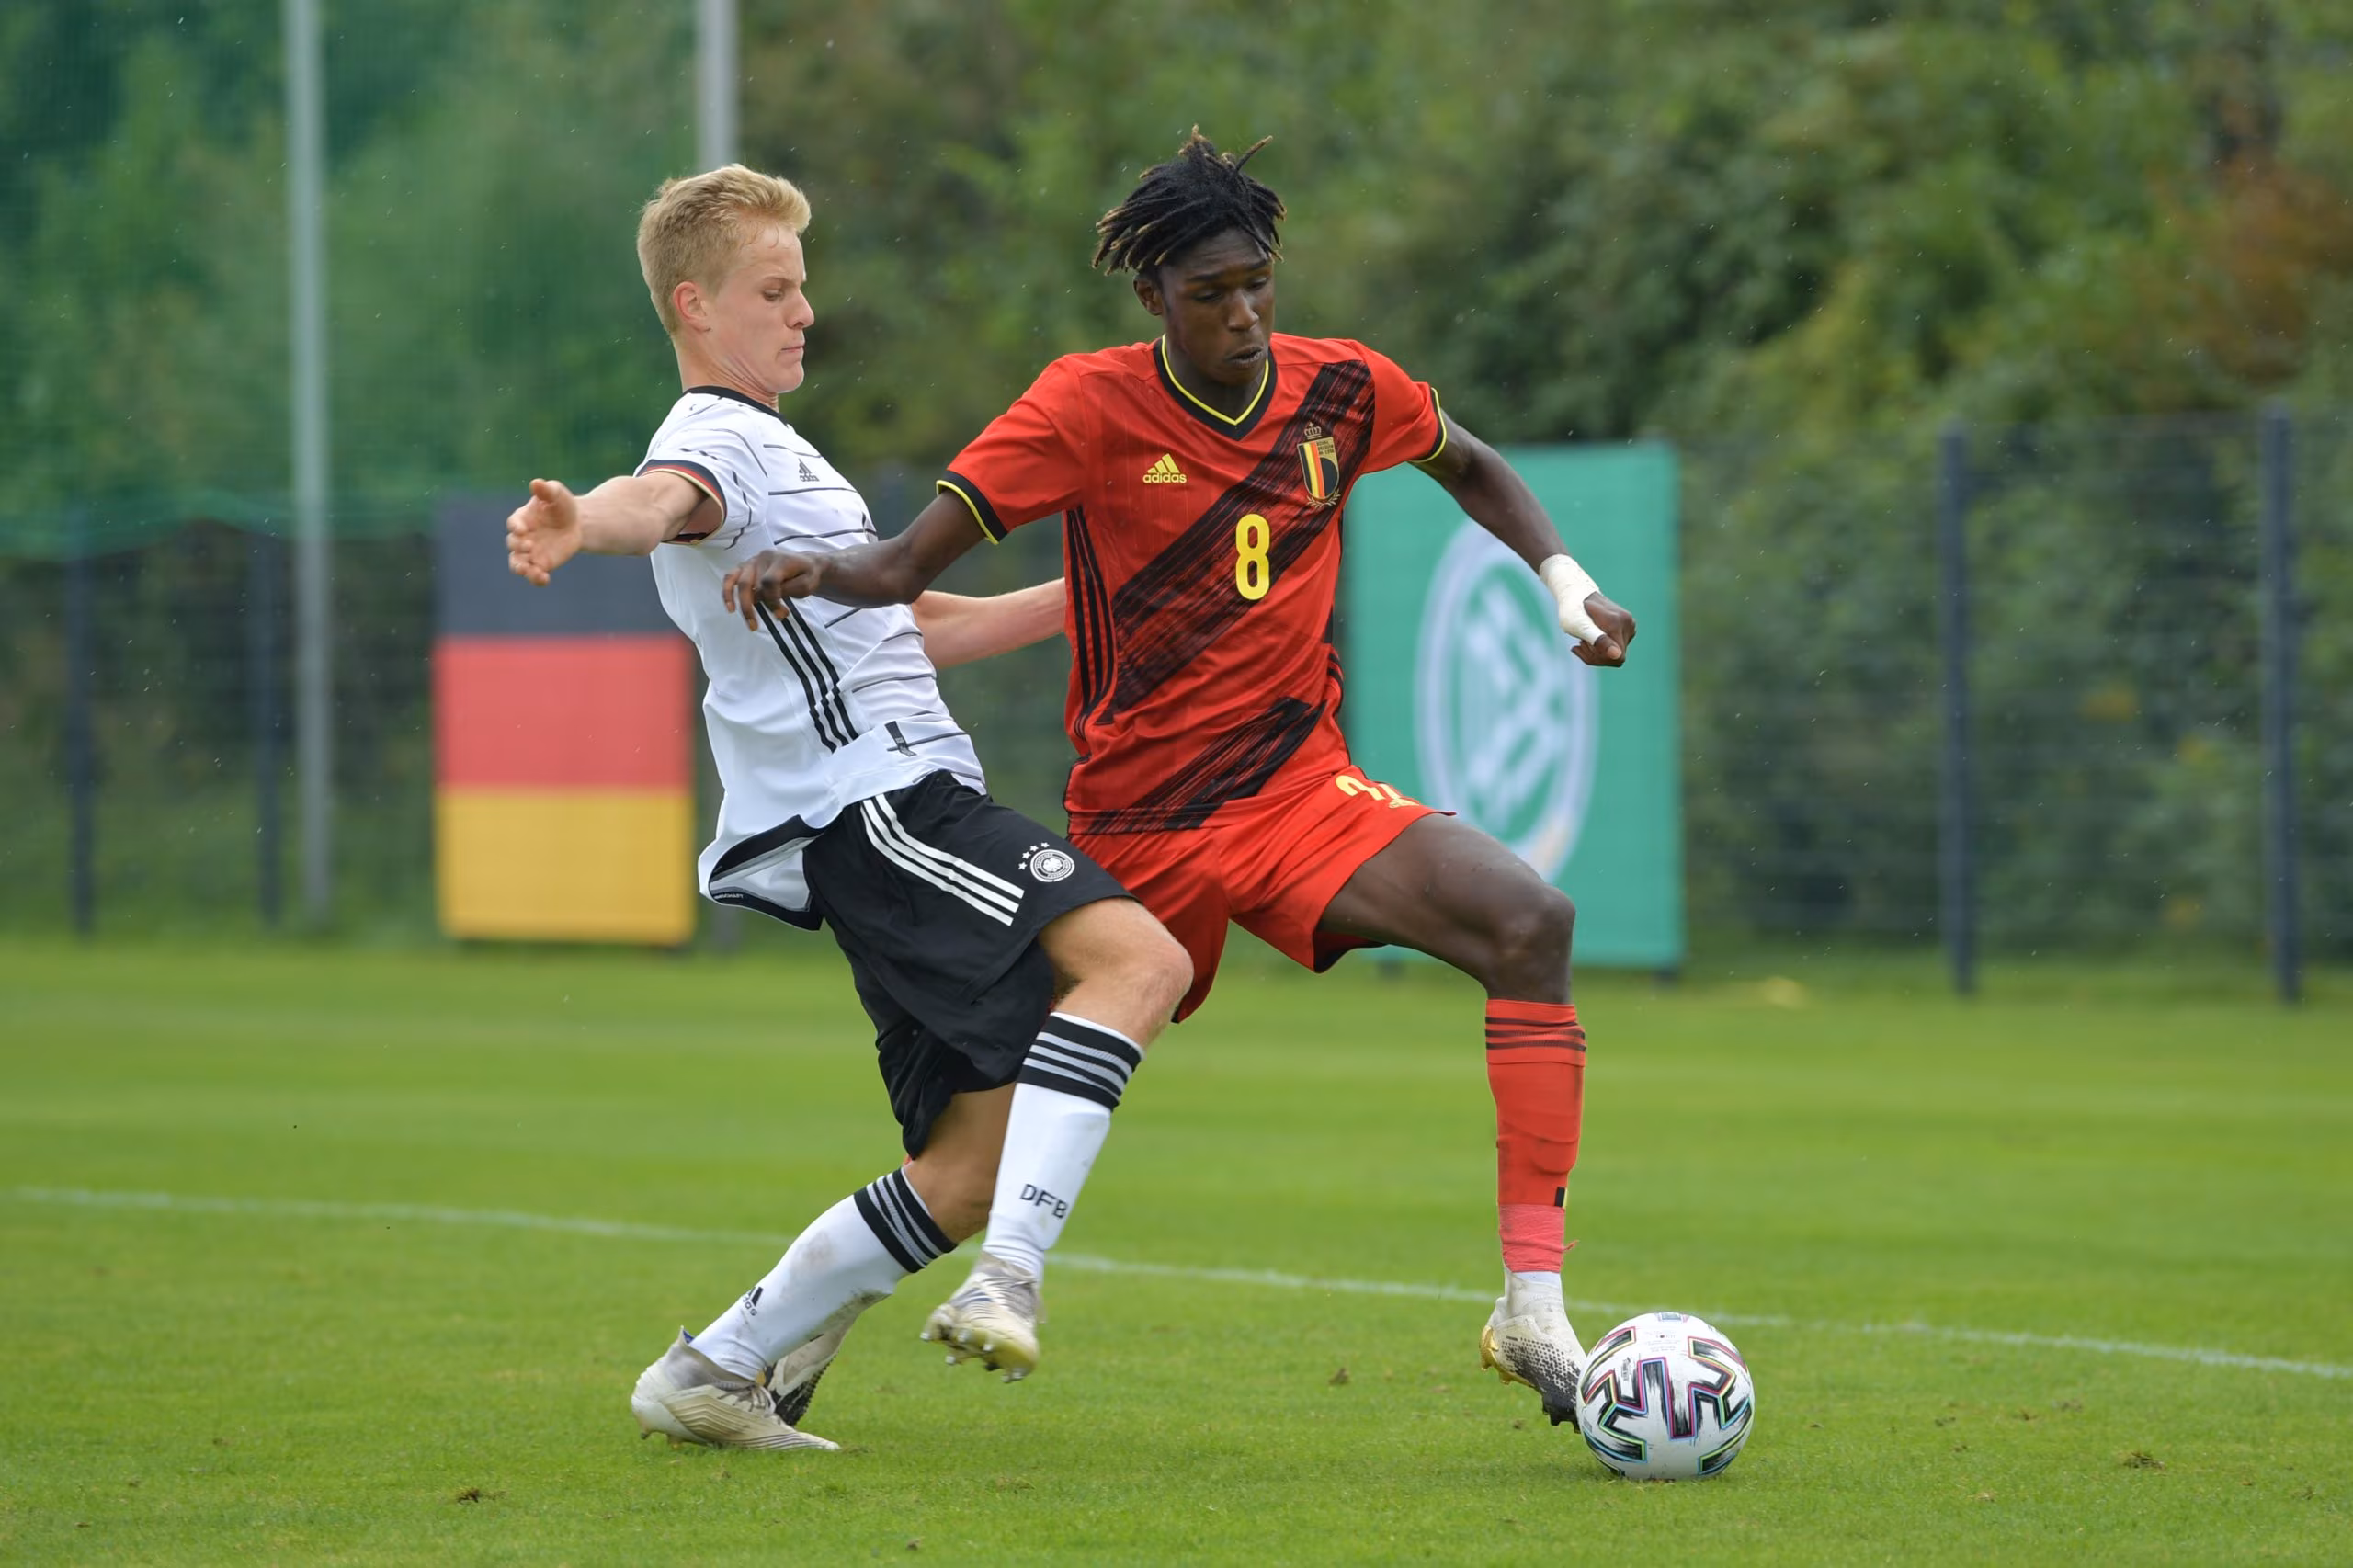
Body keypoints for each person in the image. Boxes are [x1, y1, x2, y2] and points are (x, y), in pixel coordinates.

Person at [722, 132, 1638, 1428]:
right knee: (978, 1149)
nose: (1246, 313)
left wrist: (1566, 581)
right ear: (1153, 298)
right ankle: (798, 1331)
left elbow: (1471, 464)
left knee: (1529, 921)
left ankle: (1534, 1309)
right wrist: (813, 569)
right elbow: (901, 562)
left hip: (1299, 795)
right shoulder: (1084, 408)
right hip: (1139, 824)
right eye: (1211, 292)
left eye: (1259, 281)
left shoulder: (1339, 389)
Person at [505, 165, 1191, 1450]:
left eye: (804, 286)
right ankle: (1012, 1284)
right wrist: (580, 522)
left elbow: (918, 622)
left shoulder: (786, 451)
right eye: (775, 290)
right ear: (696, 305)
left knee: (971, 1167)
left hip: (880, 818)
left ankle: (716, 1367)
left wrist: (1105, 598)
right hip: (880, 808)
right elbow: (657, 503)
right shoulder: (711, 438)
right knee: (1142, 959)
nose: (804, 311)